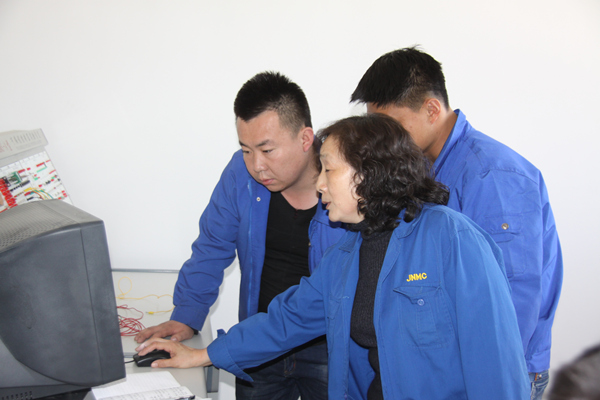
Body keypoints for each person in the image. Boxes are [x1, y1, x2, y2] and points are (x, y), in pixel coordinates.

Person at [137, 114, 530, 399]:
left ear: (368, 173)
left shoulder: (451, 237)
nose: (319, 184)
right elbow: (285, 320)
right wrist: (202, 355)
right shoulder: (345, 255)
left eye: (328, 170)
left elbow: (496, 363)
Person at [350, 46, 563, 399]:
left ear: (432, 110)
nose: (382, 140)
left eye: (391, 126)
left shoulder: (491, 175)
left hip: (491, 375)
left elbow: (513, 302)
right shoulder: (420, 166)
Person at [134, 71, 346, 399]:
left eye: (267, 150)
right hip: (257, 341)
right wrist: (186, 317)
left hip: (329, 346)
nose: (256, 165)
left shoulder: (346, 185)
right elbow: (211, 247)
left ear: (306, 139)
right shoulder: (240, 174)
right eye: (246, 150)